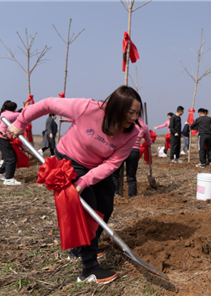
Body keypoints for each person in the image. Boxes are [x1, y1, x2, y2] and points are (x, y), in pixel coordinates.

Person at [8, 85, 142, 284]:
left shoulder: (132, 132)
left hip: (97, 168)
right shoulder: (87, 108)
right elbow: (47, 104)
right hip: (70, 161)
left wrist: (86, 181)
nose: (134, 117)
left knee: (105, 207)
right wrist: (21, 121)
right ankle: (89, 269)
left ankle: (83, 247)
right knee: (87, 210)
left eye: (138, 113)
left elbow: (113, 163)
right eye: (131, 112)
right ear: (116, 107)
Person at [112, 116, 152, 197]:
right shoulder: (143, 126)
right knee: (131, 176)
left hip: (121, 150)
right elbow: (149, 141)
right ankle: (132, 196)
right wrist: (148, 144)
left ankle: (115, 195)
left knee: (115, 175)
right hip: (134, 152)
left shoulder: (124, 123)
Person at [0, 100, 22, 185]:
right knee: (11, 158)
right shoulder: (14, 115)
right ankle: (9, 179)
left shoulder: (4, 113)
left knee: (9, 156)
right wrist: (26, 109)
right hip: (2, 138)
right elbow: (22, 115)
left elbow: (17, 113)